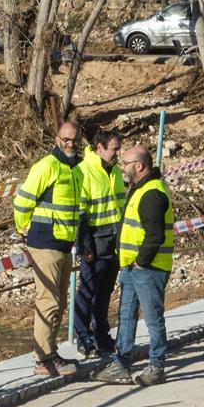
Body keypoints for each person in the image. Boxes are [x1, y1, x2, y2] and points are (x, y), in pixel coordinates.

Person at [94, 146, 175, 386]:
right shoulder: (139, 189)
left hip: (148, 268)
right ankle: (121, 363)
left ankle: (157, 366)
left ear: (139, 166)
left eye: (125, 163)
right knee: (126, 315)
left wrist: (141, 262)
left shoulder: (151, 193)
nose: (122, 167)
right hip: (131, 266)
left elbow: (154, 236)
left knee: (153, 318)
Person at [13, 120, 83, 378]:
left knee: (60, 302)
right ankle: (42, 359)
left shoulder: (76, 170)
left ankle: (50, 352)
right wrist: (23, 229)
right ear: (56, 140)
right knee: (48, 302)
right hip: (45, 243)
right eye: (66, 139)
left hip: (64, 244)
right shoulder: (46, 167)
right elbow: (23, 201)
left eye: (74, 140)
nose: (70, 144)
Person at [73, 129, 124, 358]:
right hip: (95, 242)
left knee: (104, 292)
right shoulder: (84, 172)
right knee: (87, 291)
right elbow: (80, 214)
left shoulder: (114, 172)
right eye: (114, 149)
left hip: (114, 242)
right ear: (100, 148)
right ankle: (83, 337)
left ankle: (101, 336)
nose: (117, 154)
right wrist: (85, 246)